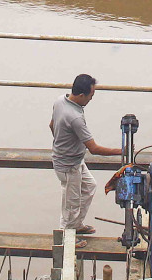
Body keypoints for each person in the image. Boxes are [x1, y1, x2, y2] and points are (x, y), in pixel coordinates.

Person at [50, 73, 122, 234]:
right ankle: (67, 237)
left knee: (90, 186)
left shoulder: (60, 100)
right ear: (82, 95)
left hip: (73, 160)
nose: (91, 99)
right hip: (68, 166)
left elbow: (51, 125)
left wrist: (64, 143)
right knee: (71, 204)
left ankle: (76, 225)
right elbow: (94, 149)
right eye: (91, 95)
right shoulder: (75, 117)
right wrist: (122, 151)